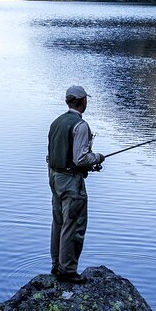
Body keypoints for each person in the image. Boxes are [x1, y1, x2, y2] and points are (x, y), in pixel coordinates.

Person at [48, 85, 104, 283]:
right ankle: (68, 270)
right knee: (73, 224)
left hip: (54, 178)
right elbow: (80, 159)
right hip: (71, 182)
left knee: (59, 223)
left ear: (67, 101)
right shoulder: (80, 126)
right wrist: (97, 157)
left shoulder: (56, 122)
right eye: (86, 100)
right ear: (83, 102)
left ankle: (56, 265)